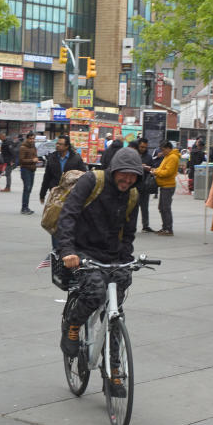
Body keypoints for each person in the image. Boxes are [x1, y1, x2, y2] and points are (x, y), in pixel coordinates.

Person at [55, 148, 145, 394]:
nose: (127, 181)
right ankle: (73, 326)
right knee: (94, 291)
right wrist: (67, 251)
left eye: (132, 177)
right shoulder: (92, 181)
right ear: (114, 171)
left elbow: (128, 232)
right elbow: (68, 215)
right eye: (123, 175)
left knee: (116, 316)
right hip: (81, 251)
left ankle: (114, 372)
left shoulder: (133, 194)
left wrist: (127, 261)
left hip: (112, 255)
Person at [39, 135, 86, 203]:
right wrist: (42, 194)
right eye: (57, 143)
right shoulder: (52, 158)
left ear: (66, 146)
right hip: (55, 192)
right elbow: (47, 177)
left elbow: (83, 176)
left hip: (71, 193)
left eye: (60, 144)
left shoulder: (76, 159)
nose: (57, 145)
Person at [153, 139, 180, 236]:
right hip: (164, 185)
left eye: (163, 150)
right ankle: (165, 227)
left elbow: (168, 172)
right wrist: (155, 170)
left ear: (168, 148)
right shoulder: (167, 156)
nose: (162, 152)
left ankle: (168, 229)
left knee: (165, 208)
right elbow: (162, 169)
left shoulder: (172, 157)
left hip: (168, 186)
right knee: (162, 207)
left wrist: (156, 172)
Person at [130, 138, 156, 232]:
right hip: (134, 185)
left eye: (145, 147)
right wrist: (140, 166)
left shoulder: (148, 157)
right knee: (133, 208)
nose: (143, 149)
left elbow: (153, 168)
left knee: (145, 207)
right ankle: (131, 226)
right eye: (141, 147)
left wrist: (149, 168)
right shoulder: (133, 154)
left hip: (145, 185)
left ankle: (145, 226)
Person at [18, 131, 39, 215]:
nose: (32, 140)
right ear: (27, 139)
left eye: (33, 138)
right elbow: (21, 160)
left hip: (32, 170)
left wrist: (36, 159)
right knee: (27, 188)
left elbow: (35, 156)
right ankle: (24, 208)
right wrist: (32, 160)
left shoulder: (33, 147)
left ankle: (26, 206)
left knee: (29, 189)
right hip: (25, 170)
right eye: (30, 139)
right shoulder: (23, 147)